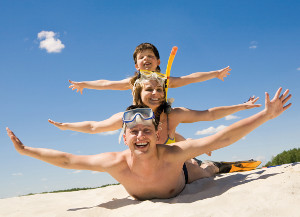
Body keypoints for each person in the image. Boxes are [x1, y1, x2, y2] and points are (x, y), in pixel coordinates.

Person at [7, 87, 292, 200]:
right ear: (124, 137)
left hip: (180, 174)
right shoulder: (114, 162)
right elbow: (67, 160)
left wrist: (265, 115)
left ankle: (213, 165)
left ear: (157, 136)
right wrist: (25, 150)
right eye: (134, 132)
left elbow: (222, 136)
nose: (140, 136)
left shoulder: (171, 153)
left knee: (205, 171)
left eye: (146, 130)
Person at [68, 43, 231, 94]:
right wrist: (84, 84)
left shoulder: (165, 80)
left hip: (162, 119)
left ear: (158, 61)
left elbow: (191, 77)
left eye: (150, 56)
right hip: (141, 121)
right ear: (136, 65)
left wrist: (215, 74)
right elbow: (106, 83)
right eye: (141, 57)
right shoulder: (133, 82)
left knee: (178, 134)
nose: (146, 59)